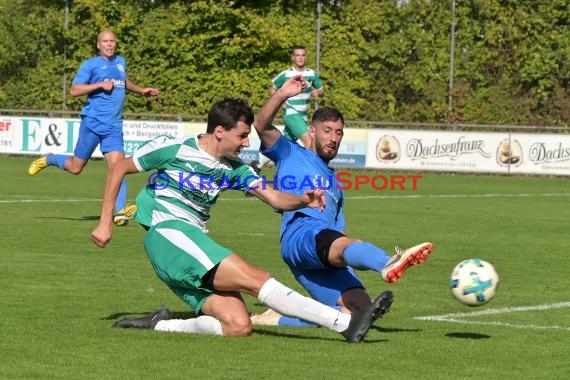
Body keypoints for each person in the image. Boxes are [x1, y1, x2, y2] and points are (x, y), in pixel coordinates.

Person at [90, 98, 393, 343]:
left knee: (238, 324)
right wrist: (105, 223)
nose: (247, 143)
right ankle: (343, 323)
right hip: (167, 234)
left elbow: (274, 197)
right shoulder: (176, 149)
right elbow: (118, 169)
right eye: (242, 135)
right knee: (256, 278)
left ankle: (161, 326)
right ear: (219, 131)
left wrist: (303, 200)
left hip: (192, 241)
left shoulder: (236, 169)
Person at [251, 76, 433, 327]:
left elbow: (340, 234)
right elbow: (261, 124)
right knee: (337, 242)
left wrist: (348, 273)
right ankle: (387, 262)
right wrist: (282, 94)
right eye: (327, 131)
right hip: (301, 235)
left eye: (338, 133)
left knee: (360, 314)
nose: (333, 138)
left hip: (325, 251)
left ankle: (275, 319)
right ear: (311, 131)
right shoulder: (290, 151)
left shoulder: (336, 183)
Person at [28, 29, 159, 225]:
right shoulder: (90, 65)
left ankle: (120, 211)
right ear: (98, 45)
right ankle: (49, 159)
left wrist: (141, 91)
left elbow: (123, 82)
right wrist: (99, 85)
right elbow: (74, 90)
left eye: (112, 41)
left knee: (119, 167)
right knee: (75, 167)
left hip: (114, 126)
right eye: (105, 41)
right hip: (93, 123)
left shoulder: (120, 62)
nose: (109, 44)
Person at [256, 45, 324, 170]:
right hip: (292, 114)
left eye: (303, 55)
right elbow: (272, 89)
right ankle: (314, 175)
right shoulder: (286, 74)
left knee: (283, 144)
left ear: (306, 57)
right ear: (293, 57)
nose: (300, 58)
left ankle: (259, 162)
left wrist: (317, 92)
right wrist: (280, 102)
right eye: (297, 55)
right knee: (310, 141)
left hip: (303, 117)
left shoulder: (311, 74)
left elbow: (321, 90)